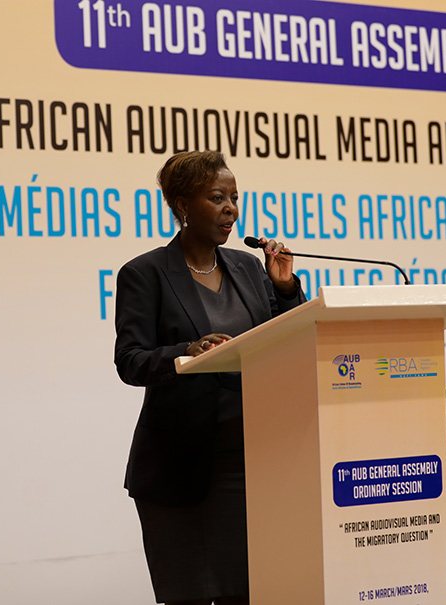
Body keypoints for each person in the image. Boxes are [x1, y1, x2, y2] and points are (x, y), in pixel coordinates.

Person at [114, 150, 306, 605]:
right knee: (191, 594)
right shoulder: (145, 274)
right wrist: (187, 352)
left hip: (252, 462)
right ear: (182, 206)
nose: (231, 209)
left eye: (235, 198)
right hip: (181, 467)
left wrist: (282, 288)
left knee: (253, 591)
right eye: (217, 197)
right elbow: (130, 360)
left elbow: (283, 339)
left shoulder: (245, 267)